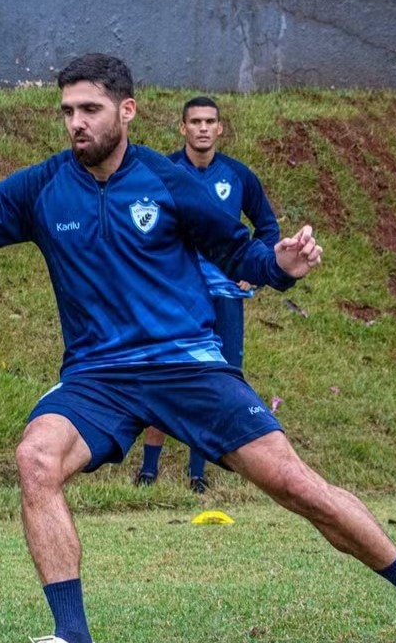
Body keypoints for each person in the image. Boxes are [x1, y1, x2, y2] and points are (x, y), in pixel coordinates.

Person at [0, 54, 396, 643]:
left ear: (126, 111)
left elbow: (241, 253)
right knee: (36, 459)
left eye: (90, 110)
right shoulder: (44, 187)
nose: (77, 123)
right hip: (98, 377)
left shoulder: (168, 181)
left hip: (186, 363)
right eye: (68, 112)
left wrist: (281, 265)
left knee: (297, 485)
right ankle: (71, 635)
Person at [134, 96, 280, 494]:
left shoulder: (237, 176)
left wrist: (255, 270)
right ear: (182, 128)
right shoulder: (158, 171)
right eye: (194, 121)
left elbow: (268, 227)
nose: (202, 127)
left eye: (209, 121)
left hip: (226, 295)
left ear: (220, 129)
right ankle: (149, 471)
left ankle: (199, 474)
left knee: (221, 380)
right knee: (165, 373)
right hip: (174, 297)